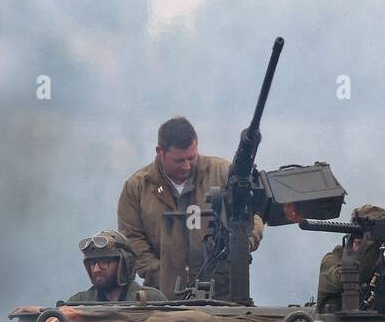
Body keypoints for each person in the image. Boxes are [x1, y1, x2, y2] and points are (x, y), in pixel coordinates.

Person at [118, 116, 264, 299]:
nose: (186, 166)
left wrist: (243, 245)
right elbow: (131, 238)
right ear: (159, 152)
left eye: (191, 158)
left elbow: (253, 214)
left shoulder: (224, 174)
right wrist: (158, 272)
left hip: (223, 294)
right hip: (162, 297)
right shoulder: (138, 187)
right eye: (178, 160)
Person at [68, 230, 166, 303]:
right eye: (93, 263)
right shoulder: (79, 303)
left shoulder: (152, 299)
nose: (96, 270)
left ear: (124, 264)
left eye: (104, 262)